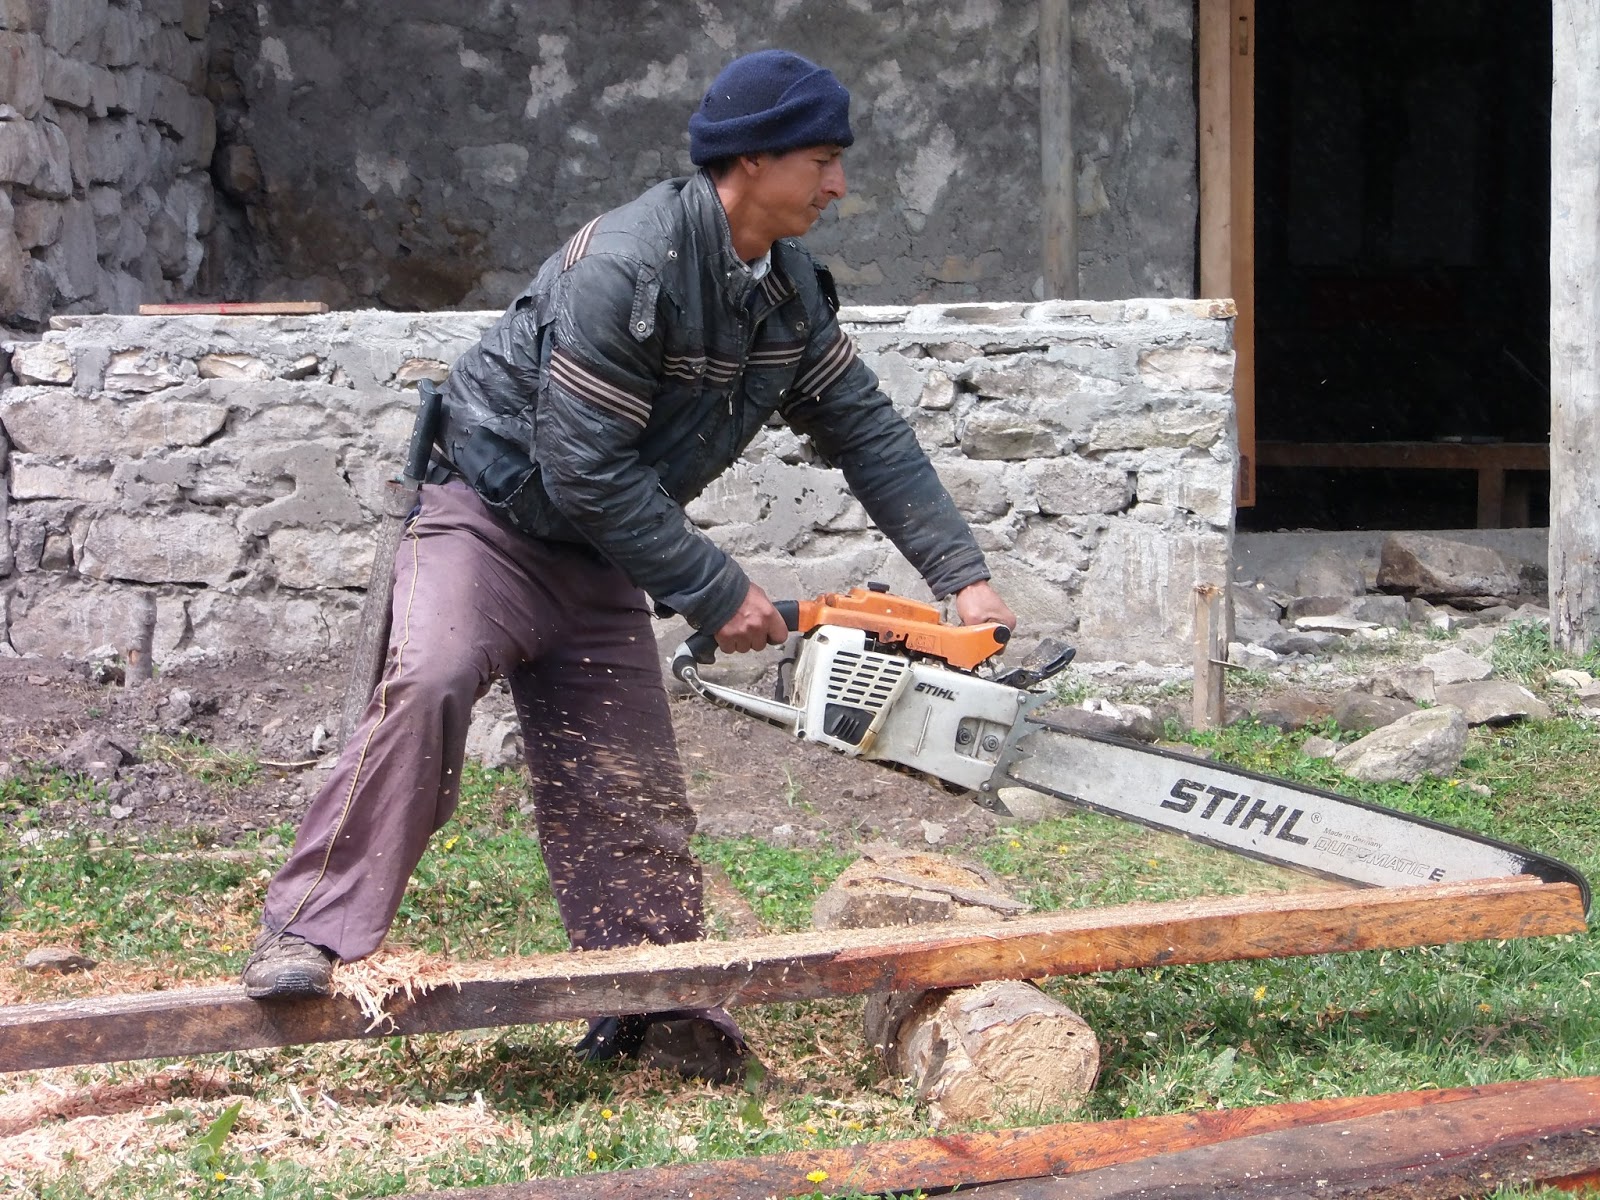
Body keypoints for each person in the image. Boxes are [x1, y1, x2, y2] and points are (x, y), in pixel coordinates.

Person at [240, 48, 1016, 1082]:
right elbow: (582, 465)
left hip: (602, 547)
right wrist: (715, 588)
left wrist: (961, 575)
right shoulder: (624, 265)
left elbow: (864, 428)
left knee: (627, 784)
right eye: (822, 161)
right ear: (751, 160)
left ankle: (650, 1005)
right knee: (428, 681)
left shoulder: (786, 292)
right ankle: (308, 934)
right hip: (486, 520)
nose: (839, 185)